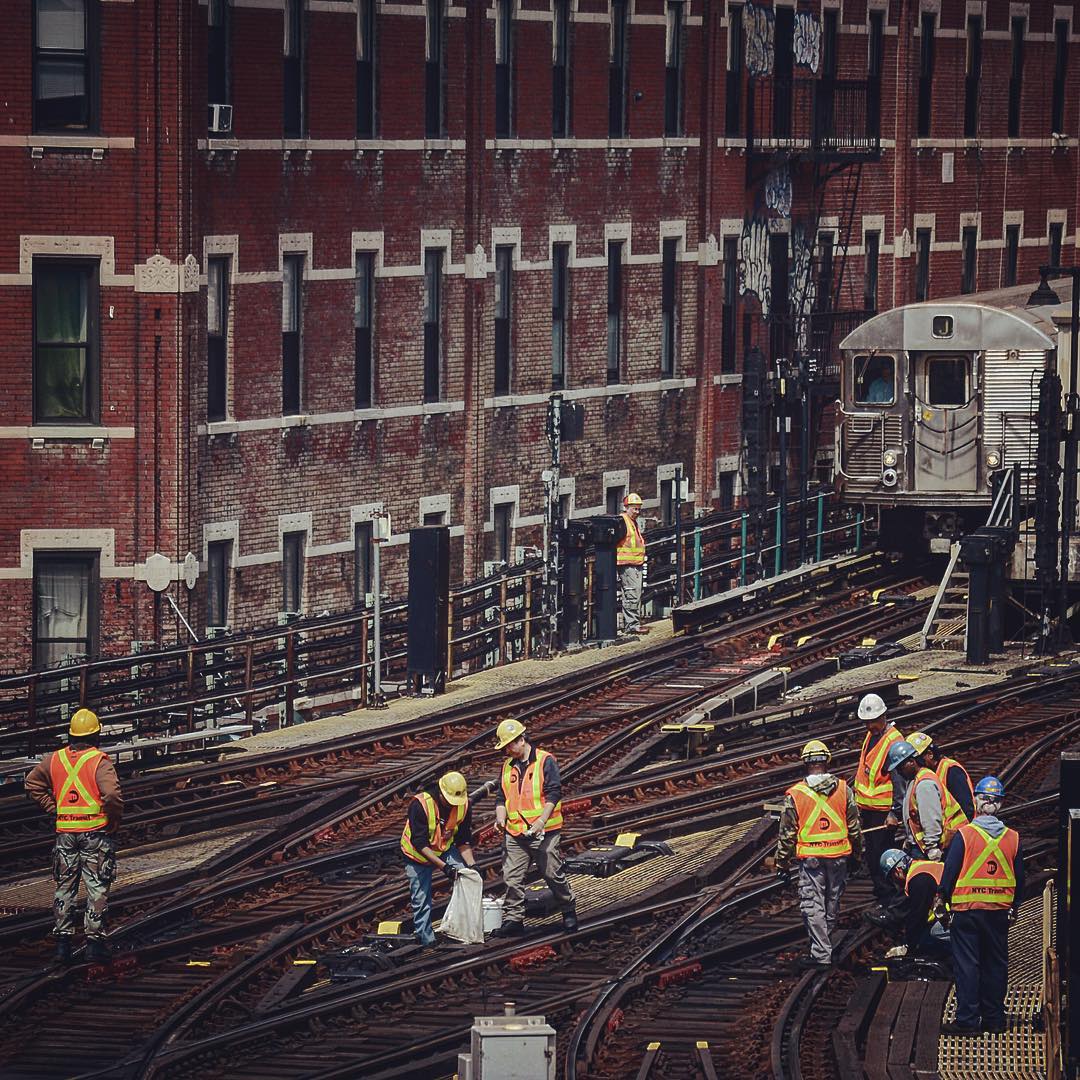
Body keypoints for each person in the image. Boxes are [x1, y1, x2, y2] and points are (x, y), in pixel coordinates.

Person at [24, 708, 123, 965]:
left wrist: (52, 807)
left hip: (66, 834)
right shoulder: (99, 760)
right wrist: (112, 820)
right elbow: (111, 795)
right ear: (97, 735)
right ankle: (94, 944)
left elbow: (32, 783)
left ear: (71, 734)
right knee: (96, 887)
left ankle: (62, 945)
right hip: (95, 834)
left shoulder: (55, 760)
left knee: (64, 887)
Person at [939, 776, 1024, 1037]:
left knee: (968, 966)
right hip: (999, 912)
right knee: (995, 965)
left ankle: (967, 1021)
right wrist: (1014, 906)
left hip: (967, 911)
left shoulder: (964, 835)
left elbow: (950, 873)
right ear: (999, 804)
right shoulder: (1013, 838)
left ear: (977, 801)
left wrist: (943, 900)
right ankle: (994, 1019)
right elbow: (1020, 878)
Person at [775, 740, 862, 969]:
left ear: (805, 763)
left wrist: (781, 862)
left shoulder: (795, 794)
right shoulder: (844, 788)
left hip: (811, 859)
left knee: (813, 904)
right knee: (832, 901)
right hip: (838, 856)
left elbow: (787, 833)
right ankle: (825, 942)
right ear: (827, 761)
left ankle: (821, 953)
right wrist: (858, 855)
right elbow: (854, 826)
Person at [490, 717, 577, 937]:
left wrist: (541, 822)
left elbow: (554, 793)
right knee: (512, 877)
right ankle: (513, 919)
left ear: (521, 740)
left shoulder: (545, 761)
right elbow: (502, 797)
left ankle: (568, 910)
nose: (507, 750)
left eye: (509, 745)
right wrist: (501, 817)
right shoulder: (508, 766)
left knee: (552, 873)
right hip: (515, 831)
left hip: (544, 831)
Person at [400, 770, 477, 947]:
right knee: (421, 899)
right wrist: (445, 868)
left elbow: (463, 839)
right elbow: (419, 843)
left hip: (444, 848)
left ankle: (465, 928)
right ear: (441, 793)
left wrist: (472, 865)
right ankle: (426, 939)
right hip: (417, 855)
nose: (452, 806)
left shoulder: (463, 805)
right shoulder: (420, 805)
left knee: (466, 877)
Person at [852, 693, 904, 921]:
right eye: (866, 722)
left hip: (883, 812)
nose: (869, 726)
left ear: (883, 717)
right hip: (870, 809)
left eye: (873, 721)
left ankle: (889, 901)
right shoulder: (871, 736)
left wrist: (894, 811)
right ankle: (883, 896)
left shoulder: (894, 742)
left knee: (881, 857)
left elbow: (899, 782)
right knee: (873, 855)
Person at [879, 848, 948, 964]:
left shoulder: (918, 880)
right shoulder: (921, 867)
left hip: (964, 913)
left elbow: (918, 915)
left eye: (892, 878)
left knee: (932, 934)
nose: (895, 882)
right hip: (967, 906)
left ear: (898, 871)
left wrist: (908, 945)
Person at [907, 731, 974, 848]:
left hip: (958, 836)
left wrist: (959, 837)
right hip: (945, 837)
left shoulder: (951, 770)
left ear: (929, 754)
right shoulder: (923, 775)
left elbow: (967, 807)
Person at [886, 738, 945, 860]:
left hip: (926, 849)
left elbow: (931, 818)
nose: (898, 772)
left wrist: (932, 847)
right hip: (919, 846)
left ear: (912, 762)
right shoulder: (914, 780)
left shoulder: (924, 784)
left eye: (900, 768)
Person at [617, 492, 648, 636]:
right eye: (634, 508)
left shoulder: (632, 522)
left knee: (635, 593)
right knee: (632, 594)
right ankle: (632, 625)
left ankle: (633, 623)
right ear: (626, 507)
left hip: (635, 563)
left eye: (638, 509)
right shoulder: (623, 521)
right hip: (627, 564)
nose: (637, 512)